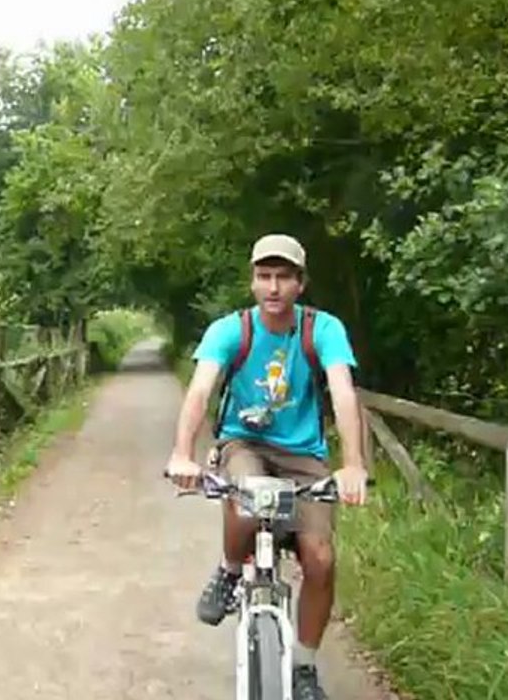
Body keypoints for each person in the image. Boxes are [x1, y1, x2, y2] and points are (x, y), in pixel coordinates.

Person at [164, 234, 369, 700]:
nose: (273, 287)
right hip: (244, 441)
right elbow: (199, 391)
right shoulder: (231, 330)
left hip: (304, 455)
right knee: (248, 496)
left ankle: (304, 667)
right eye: (264, 277)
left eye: (283, 277)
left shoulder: (324, 330)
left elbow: (343, 392)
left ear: (301, 284)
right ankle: (231, 569)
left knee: (320, 558)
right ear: (253, 282)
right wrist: (183, 454)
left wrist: (353, 466)